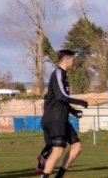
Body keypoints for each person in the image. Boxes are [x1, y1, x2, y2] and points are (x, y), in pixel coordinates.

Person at [37, 50, 89, 178]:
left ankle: (58, 175)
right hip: (55, 120)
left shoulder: (63, 75)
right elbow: (61, 96)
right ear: (67, 60)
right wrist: (81, 102)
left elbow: (58, 99)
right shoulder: (59, 73)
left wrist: (73, 111)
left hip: (61, 120)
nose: (74, 61)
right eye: (72, 59)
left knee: (77, 147)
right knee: (57, 151)